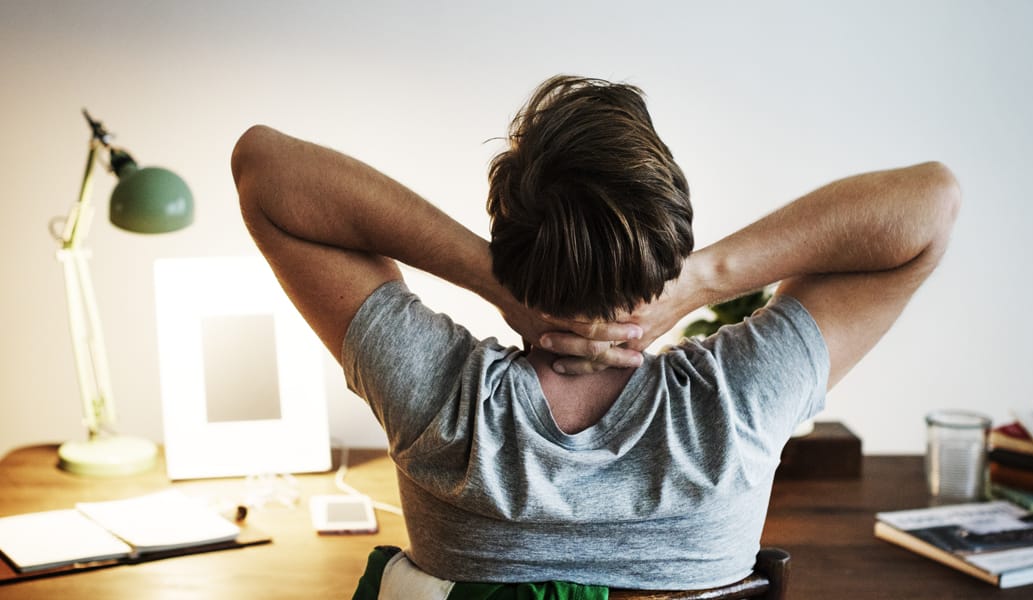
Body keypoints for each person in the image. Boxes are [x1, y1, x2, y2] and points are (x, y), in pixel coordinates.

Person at [232, 75, 959, 598]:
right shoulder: (742, 400)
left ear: (509, 243)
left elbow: (264, 167)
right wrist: (706, 278)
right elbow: (931, 203)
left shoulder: (434, 393)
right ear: (669, 237)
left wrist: (493, 281)